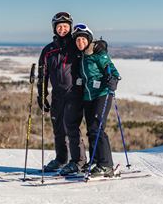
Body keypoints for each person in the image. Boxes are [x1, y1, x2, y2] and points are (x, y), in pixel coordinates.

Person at [37, 12, 107, 175]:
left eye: (65, 26)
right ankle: (61, 159)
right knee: (58, 128)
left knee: (71, 126)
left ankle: (78, 161)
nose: (62, 29)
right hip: (57, 95)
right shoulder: (48, 50)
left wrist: (101, 45)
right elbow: (43, 75)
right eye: (59, 26)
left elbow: (91, 45)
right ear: (54, 29)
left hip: (75, 93)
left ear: (70, 27)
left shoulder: (76, 45)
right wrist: (41, 95)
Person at [73, 23, 121, 177]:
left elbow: (112, 69)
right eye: (77, 40)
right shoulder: (81, 56)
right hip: (88, 96)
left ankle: (106, 165)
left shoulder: (98, 53)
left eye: (83, 39)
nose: (80, 42)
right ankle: (95, 159)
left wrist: (113, 79)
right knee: (91, 130)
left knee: (97, 128)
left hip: (102, 94)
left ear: (89, 40)